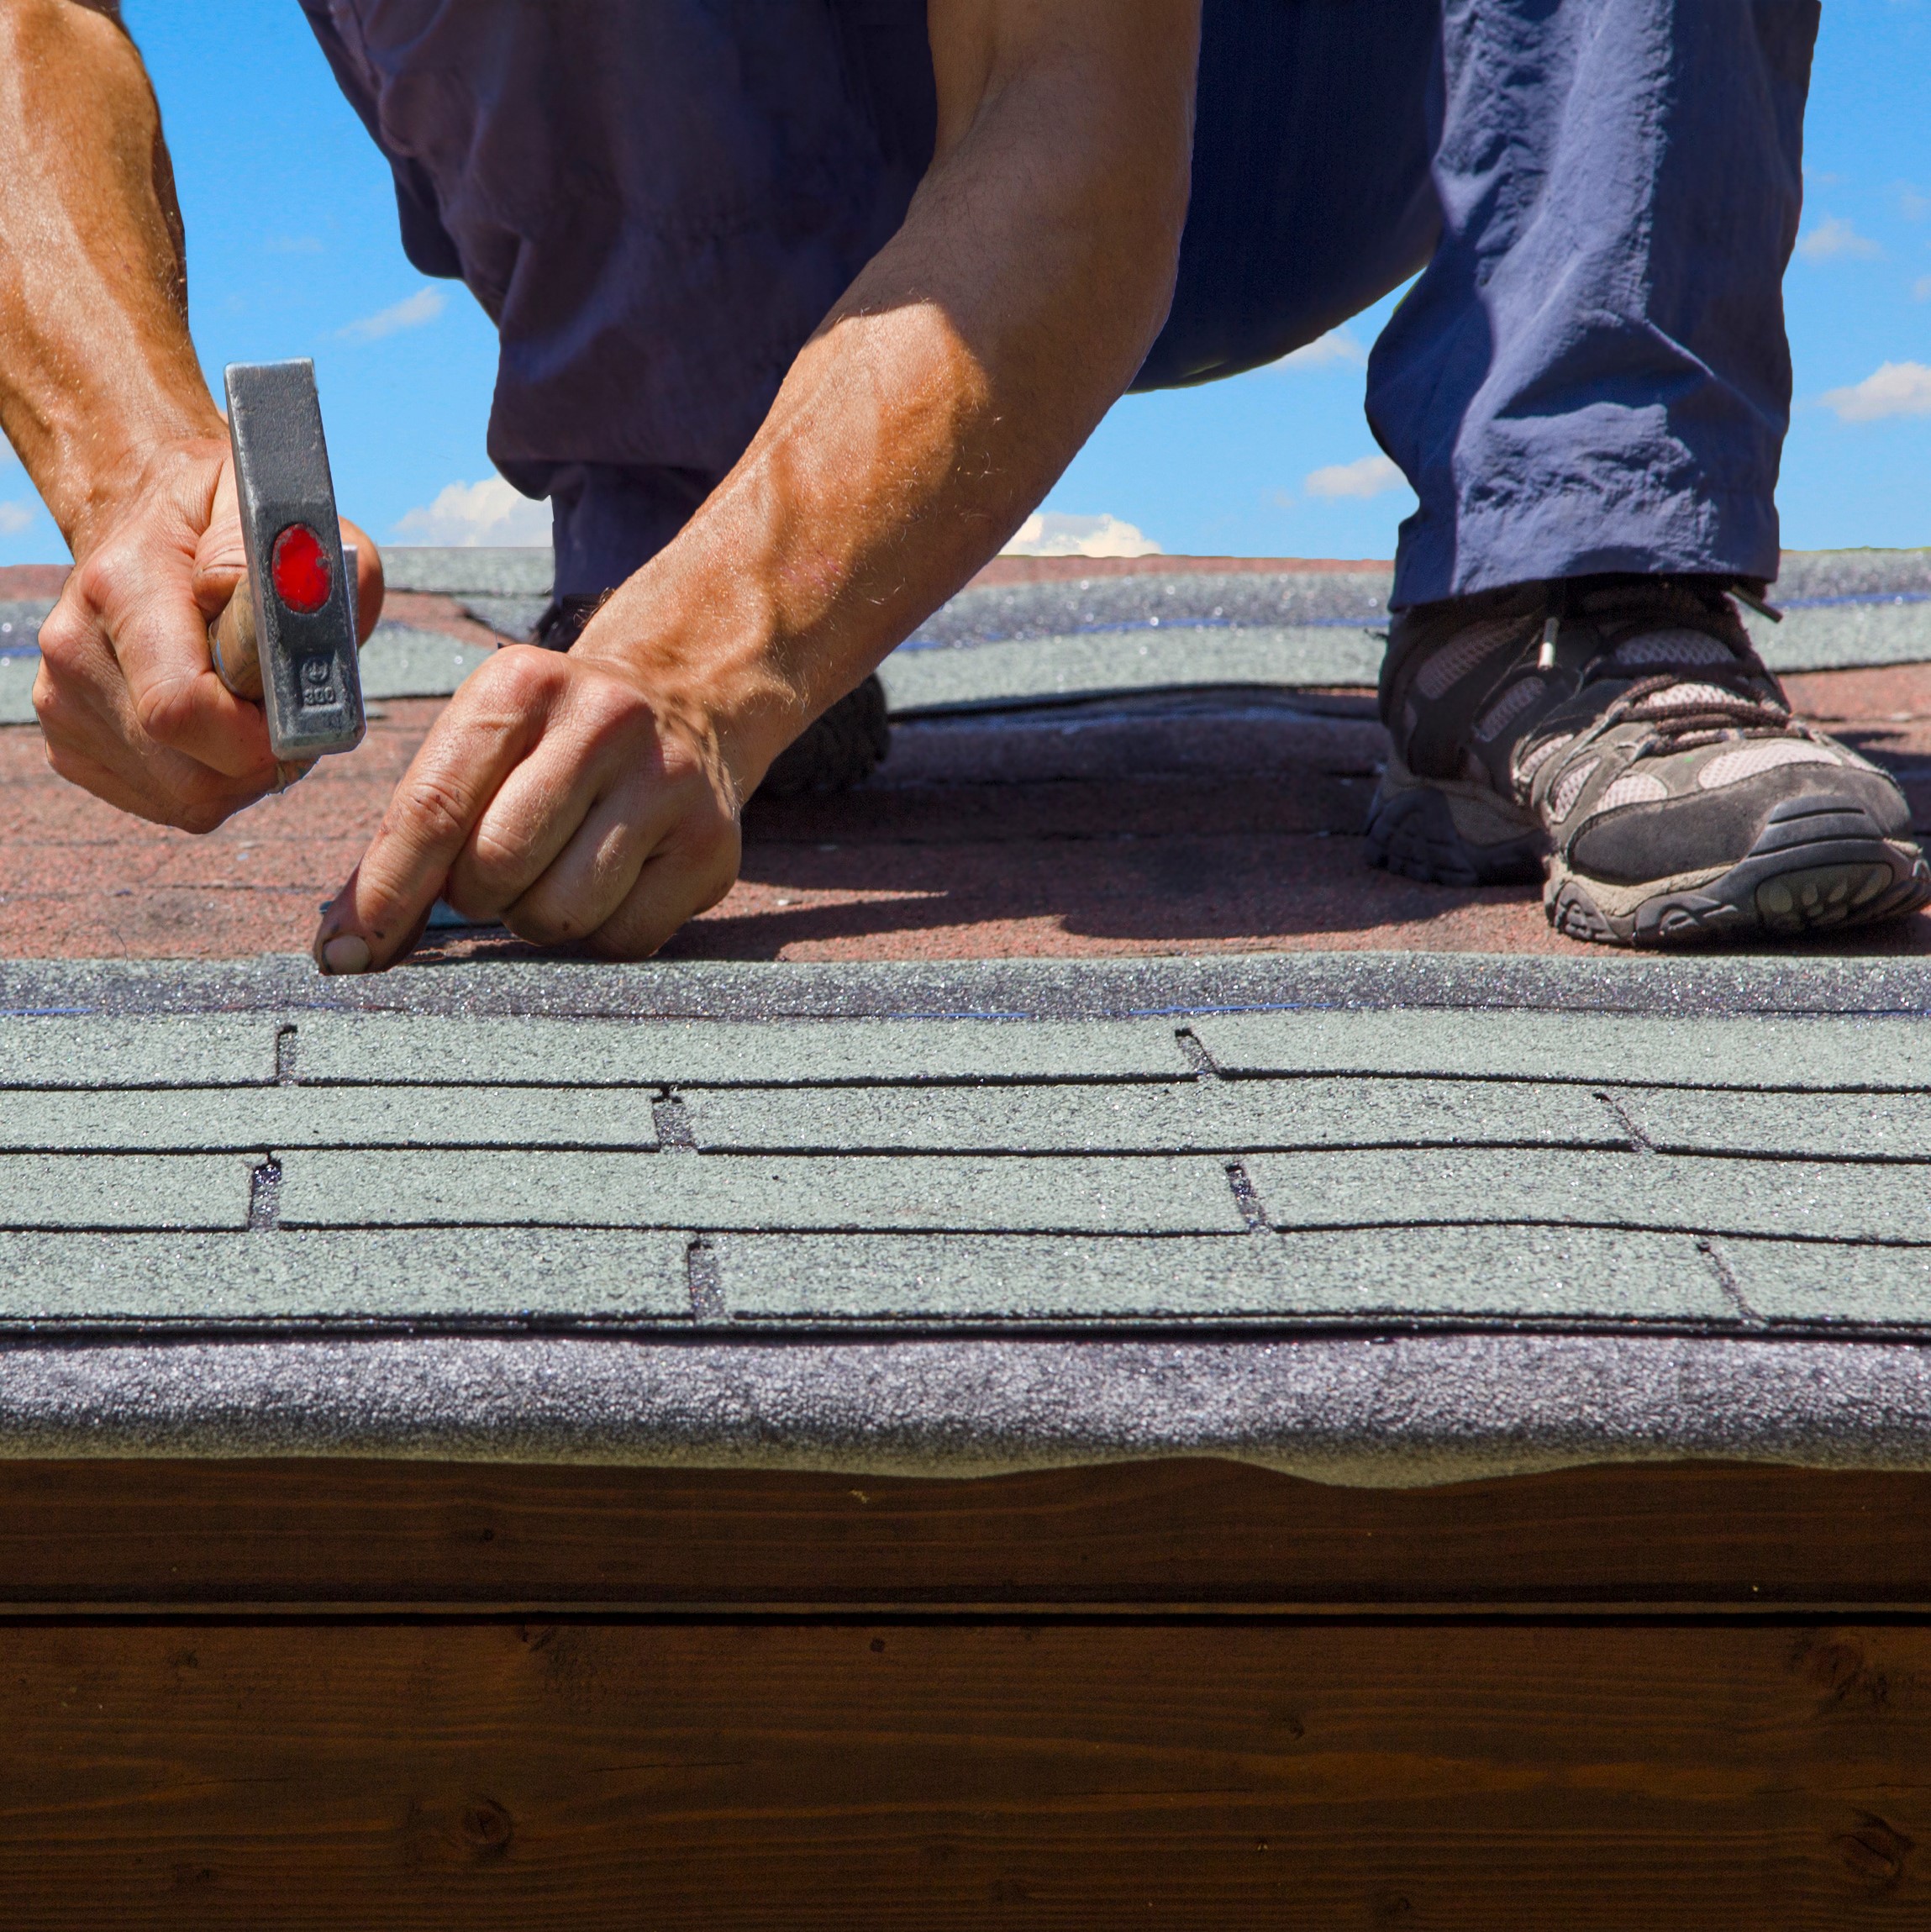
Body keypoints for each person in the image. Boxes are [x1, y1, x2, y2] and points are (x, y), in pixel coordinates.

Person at [3, 0, 1920, 971]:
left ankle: (1568, 560)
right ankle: (691, 494)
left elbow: (1076, 116)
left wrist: (709, 658)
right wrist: (134, 470)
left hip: (1324, 89)